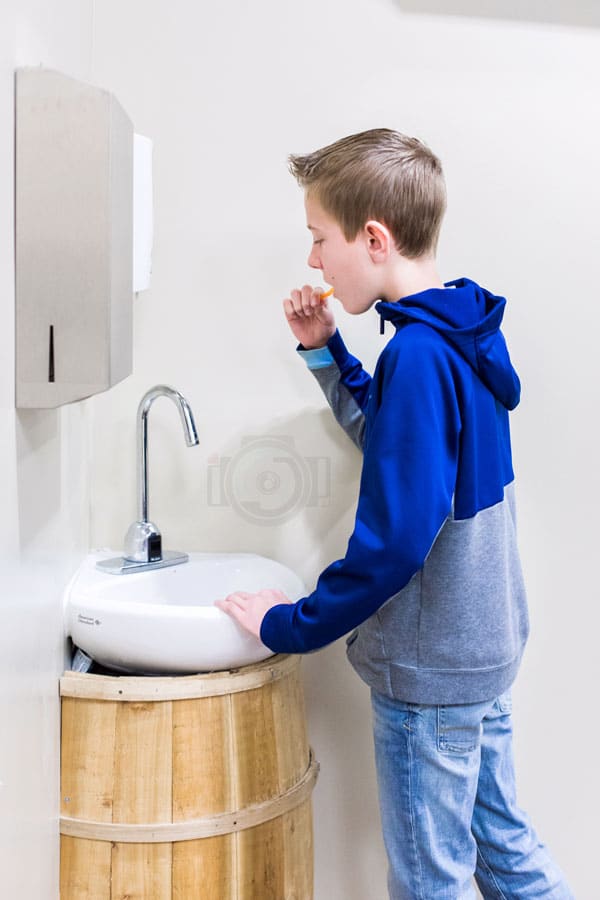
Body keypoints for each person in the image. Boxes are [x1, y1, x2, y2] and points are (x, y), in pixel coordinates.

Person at [215, 128, 573, 899]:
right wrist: (327, 353)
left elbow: (394, 544)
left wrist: (290, 624)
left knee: (428, 883)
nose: (313, 259)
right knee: (507, 853)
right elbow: (394, 447)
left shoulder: (416, 355)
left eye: (320, 238)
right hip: (481, 652)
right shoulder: (460, 333)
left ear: (372, 238)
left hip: (431, 675)